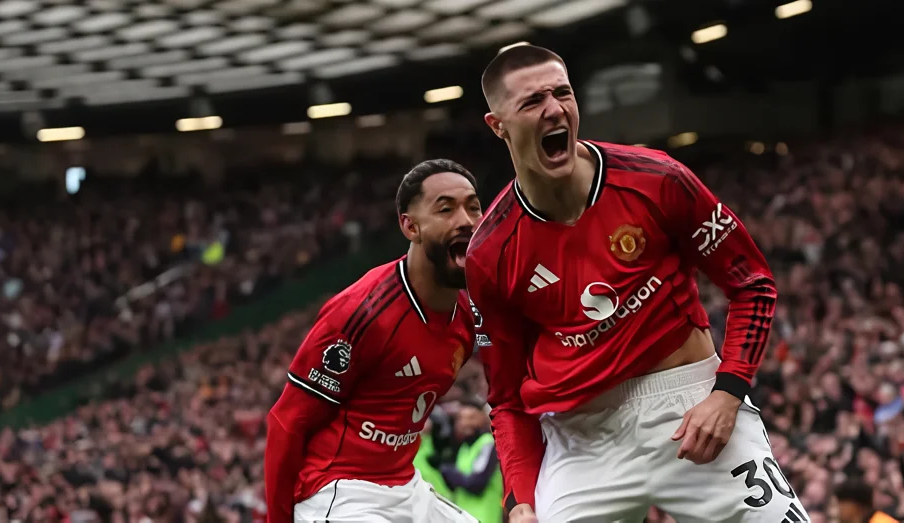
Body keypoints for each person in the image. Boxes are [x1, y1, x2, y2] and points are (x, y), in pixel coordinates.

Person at [465, 44, 808, 522]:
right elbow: (506, 400)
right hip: (583, 441)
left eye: (562, 93)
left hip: (694, 407)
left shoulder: (657, 179)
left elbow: (752, 283)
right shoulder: (489, 253)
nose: (554, 109)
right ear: (498, 125)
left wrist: (728, 393)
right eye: (532, 101)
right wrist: (518, 499)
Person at [264, 159, 484, 522]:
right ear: (410, 226)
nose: (466, 220)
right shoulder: (363, 312)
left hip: (406, 486)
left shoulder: (469, 312)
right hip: (340, 490)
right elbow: (286, 422)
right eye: (445, 209)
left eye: (473, 207)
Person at [441, 403, 504, 522]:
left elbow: (477, 484)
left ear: (483, 418)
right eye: (461, 418)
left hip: (483, 518)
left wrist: (450, 473)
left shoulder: (488, 443)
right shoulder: (464, 447)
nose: (465, 423)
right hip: (462, 517)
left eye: (472, 418)